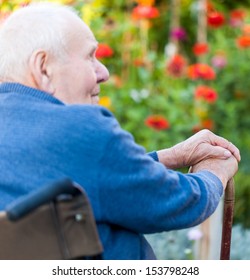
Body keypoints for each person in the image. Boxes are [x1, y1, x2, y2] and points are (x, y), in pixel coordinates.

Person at [0, 3, 240, 260]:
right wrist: (215, 172)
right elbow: (179, 202)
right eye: (90, 56)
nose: (103, 72)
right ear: (43, 67)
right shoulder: (80, 129)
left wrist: (168, 157)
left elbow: (86, 179)